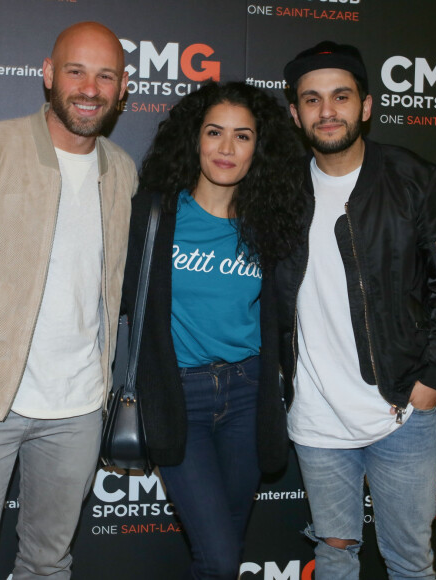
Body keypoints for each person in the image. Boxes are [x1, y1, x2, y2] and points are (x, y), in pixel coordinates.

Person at [0, 21, 137, 579]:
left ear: (123, 87)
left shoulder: (121, 170)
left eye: (105, 75)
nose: (90, 88)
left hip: (80, 409)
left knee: (48, 563)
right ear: (47, 74)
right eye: (76, 71)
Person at [276, 41, 436, 579]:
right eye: (313, 100)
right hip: (316, 421)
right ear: (296, 114)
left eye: (341, 96)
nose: (328, 111)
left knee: (411, 563)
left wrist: (435, 378)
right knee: (334, 555)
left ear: (365, 106)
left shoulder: (413, 179)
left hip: (400, 414)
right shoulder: (279, 192)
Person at [122, 81, 304, 579]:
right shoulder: (156, 215)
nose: (226, 148)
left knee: (220, 551)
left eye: (242, 136)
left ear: (257, 148)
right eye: (215, 132)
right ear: (194, 139)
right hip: (181, 397)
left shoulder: (270, 224)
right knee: (222, 558)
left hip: (248, 396)